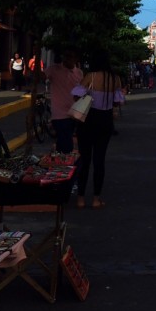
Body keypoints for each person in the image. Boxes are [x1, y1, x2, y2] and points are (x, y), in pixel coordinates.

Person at [73, 49, 121, 210]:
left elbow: (76, 95)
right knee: (99, 160)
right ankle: (96, 199)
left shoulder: (90, 76)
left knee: (84, 159)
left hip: (88, 120)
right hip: (105, 120)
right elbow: (117, 101)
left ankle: (80, 198)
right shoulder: (114, 79)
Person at [47, 49, 83, 154]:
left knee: (63, 141)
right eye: (66, 56)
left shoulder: (79, 73)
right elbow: (42, 76)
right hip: (59, 114)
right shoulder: (54, 69)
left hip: (74, 113)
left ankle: (60, 162)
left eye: (71, 56)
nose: (67, 59)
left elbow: (81, 93)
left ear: (76, 59)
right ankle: (65, 164)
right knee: (66, 142)